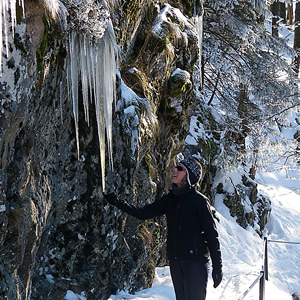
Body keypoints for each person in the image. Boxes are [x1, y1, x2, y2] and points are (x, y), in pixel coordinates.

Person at [104, 157, 222, 300]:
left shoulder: (200, 202)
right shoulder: (170, 200)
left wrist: (217, 267)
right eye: (175, 167)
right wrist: (117, 202)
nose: (174, 170)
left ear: (189, 176)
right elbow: (142, 214)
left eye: (180, 169)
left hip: (195, 262)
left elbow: (211, 235)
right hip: (175, 260)